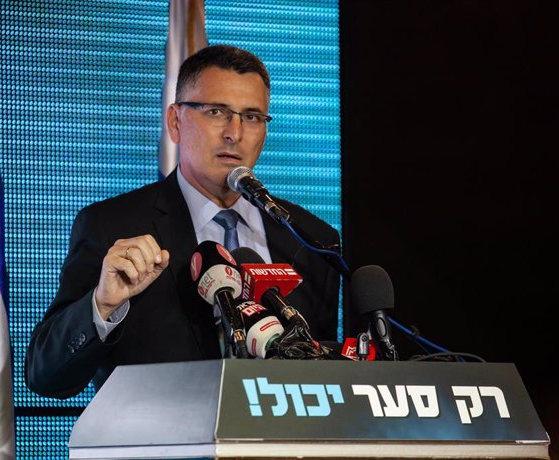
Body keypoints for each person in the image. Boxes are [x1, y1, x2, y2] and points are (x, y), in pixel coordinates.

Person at [25, 45, 340, 399]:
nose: (234, 132)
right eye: (217, 111)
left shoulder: (311, 240)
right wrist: (103, 305)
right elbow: (45, 376)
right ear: (176, 122)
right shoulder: (111, 225)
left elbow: (321, 377)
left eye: (252, 116)